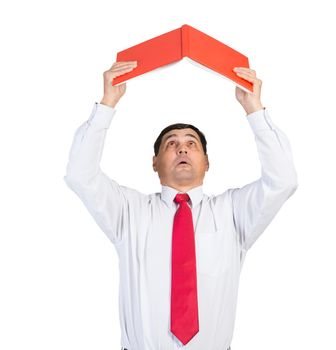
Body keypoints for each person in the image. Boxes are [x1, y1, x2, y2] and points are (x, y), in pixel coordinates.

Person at [64, 60, 298, 350]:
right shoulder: (128, 212)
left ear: (207, 162)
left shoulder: (233, 213)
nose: (182, 148)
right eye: (170, 144)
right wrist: (107, 104)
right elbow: (79, 174)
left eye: (191, 143)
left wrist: (255, 110)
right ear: (154, 162)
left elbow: (283, 181)